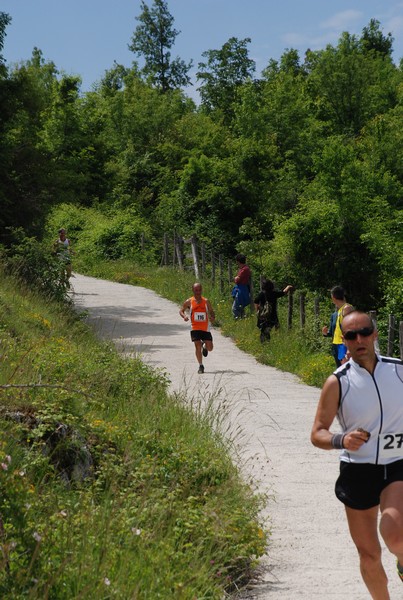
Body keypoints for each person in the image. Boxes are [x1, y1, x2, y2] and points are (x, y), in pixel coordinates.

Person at [311, 310, 403, 598]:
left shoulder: (398, 370)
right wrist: (341, 439)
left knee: (394, 533)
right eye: (351, 335)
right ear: (345, 340)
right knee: (369, 555)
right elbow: (318, 433)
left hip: (397, 464)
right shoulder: (337, 382)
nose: (359, 339)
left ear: (375, 334)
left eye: (364, 332)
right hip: (358, 470)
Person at [179, 283, 215, 374]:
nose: (198, 292)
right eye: (196, 290)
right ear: (193, 290)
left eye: (199, 290)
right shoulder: (189, 301)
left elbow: (211, 311)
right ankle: (201, 365)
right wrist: (184, 316)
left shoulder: (206, 301)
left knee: (210, 348)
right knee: (197, 345)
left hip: (205, 328)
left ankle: (205, 346)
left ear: (201, 290)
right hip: (194, 328)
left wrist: (212, 317)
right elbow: (181, 310)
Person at [322, 286, 353, 367]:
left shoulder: (347, 308)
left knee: (345, 369)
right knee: (339, 369)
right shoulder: (337, 312)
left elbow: (351, 328)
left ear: (333, 297)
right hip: (336, 344)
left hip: (343, 344)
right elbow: (335, 330)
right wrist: (326, 333)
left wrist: (349, 348)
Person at [231, 253, 251, 319]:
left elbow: (237, 280)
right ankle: (242, 319)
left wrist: (235, 278)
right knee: (240, 307)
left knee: (235, 308)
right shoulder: (243, 268)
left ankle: (237, 320)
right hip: (240, 288)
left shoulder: (244, 269)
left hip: (241, 290)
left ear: (238, 261)